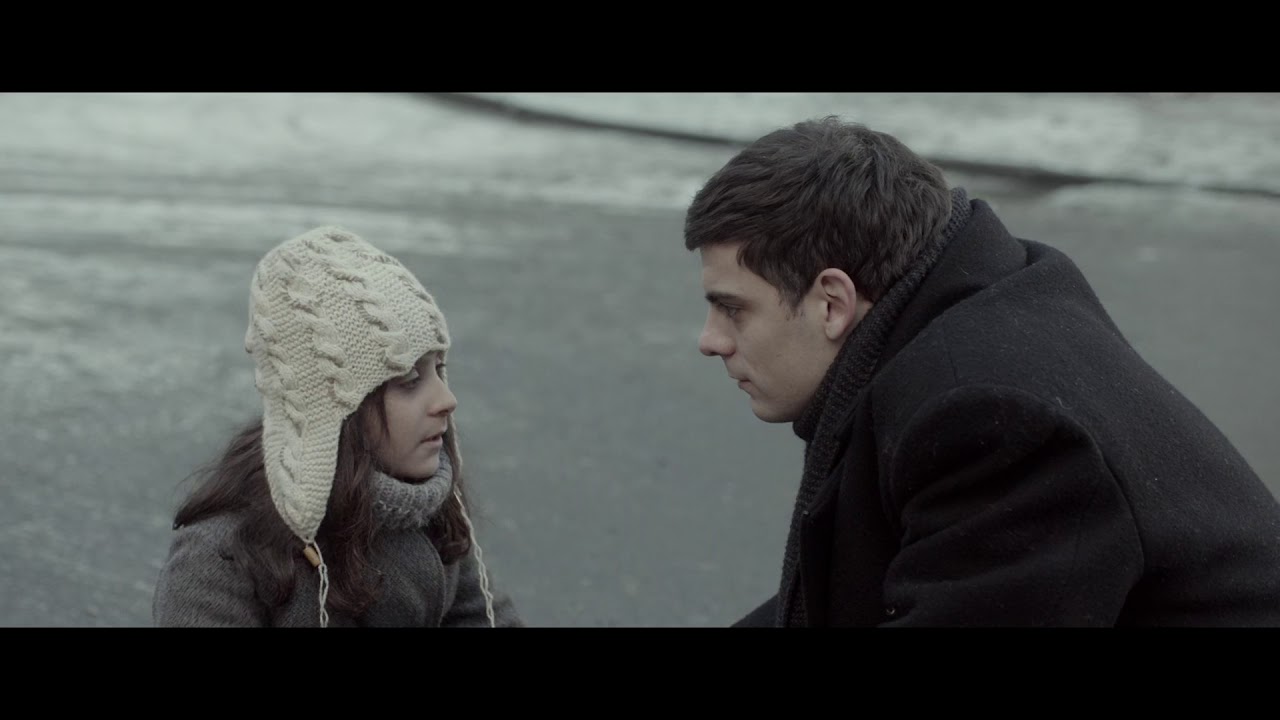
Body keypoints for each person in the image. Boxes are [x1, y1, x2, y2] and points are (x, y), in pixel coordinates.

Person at [684, 116, 1280, 626]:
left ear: (832, 303)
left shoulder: (989, 416)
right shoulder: (968, 312)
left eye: (733, 309)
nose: (711, 341)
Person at [153, 226, 522, 627]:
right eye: (410, 380)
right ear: (336, 409)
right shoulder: (222, 556)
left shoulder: (428, 511)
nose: (446, 400)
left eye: (439, 368)